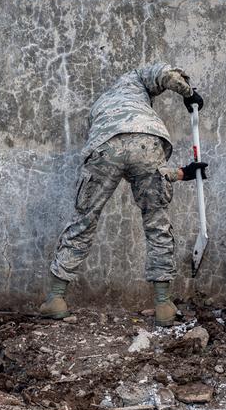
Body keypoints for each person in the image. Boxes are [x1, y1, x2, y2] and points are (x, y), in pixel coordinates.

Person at [39, 62, 208, 326]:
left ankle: (56, 299)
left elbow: (117, 151)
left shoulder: (100, 107)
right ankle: (163, 304)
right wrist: (189, 94)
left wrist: (182, 173)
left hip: (105, 144)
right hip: (149, 142)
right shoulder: (138, 77)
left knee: (85, 219)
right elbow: (168, 75)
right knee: (157, 222)